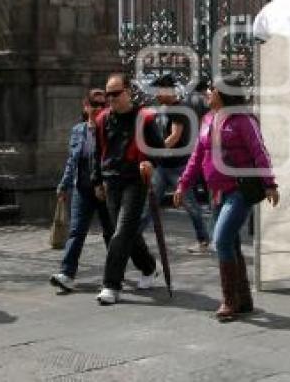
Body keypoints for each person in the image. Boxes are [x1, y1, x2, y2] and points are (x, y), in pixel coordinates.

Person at [174, 75, 278, 322]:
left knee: (221, 239)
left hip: (240, 189)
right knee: (229, 242)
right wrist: (182, 184)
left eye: (211, 89)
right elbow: (197, 156)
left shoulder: (243, 120)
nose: (207, 93)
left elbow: (259, 151)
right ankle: (243, 300)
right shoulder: (208, 119)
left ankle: (229, 301)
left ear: (223, 93)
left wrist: (270, 183)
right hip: (216, 191)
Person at [92, 73, 163, 305]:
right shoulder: (102, 119)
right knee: (127, 232)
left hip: (135, 181)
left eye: (115, 93)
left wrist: (150, 161)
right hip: (111, 181)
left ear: (128, 92)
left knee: (121, 232)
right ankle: (149, 266)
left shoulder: (145, 118)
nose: (110, 98)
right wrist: (97, 180)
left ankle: (111, 285)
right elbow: (96, 152)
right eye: (108, 94)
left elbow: (160, 149)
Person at [49, 89, 114, 293]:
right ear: (85, 107)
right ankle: (67, 274)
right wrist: (64, 185)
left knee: (111, 234)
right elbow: (72, 161)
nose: (97, 109)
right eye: (94, 104)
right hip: (82, 187)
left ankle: (118, 273)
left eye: (102, 105)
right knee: (77, 231)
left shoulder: (111, 127)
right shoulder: (78, 130)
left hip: (105, 188)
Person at [142, 73, 210, 254]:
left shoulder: (178, 109)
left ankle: (203, 241)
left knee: (191, 205)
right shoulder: (163, 109)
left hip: (178, 166)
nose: (155, 95)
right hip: (163, 167)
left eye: (158, 91)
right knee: (150, 203)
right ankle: (134, 239)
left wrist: (155, 151)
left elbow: (174, 137)